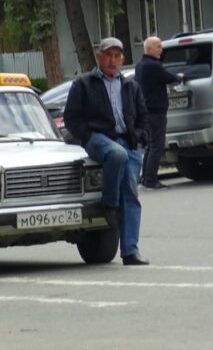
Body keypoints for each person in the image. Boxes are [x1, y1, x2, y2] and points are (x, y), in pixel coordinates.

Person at [64, 37, 150, 266]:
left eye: (117, 56)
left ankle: (130, 251)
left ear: (122, 59)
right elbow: (71, 118)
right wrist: (87, 136)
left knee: (131, 194)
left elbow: (143, 117)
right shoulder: (83, 84)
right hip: (99, 139)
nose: (112, 60)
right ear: (98, 57)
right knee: (116, 155)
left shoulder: (130, 86)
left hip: (128, 142)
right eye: (108, 55)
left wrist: (141, 139)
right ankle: (110, 205)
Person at [135, 36, 183, 190]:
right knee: (157, 146)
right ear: (149, 49)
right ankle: (151, 180)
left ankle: (145, 179)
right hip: (155, 111)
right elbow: (168, 78)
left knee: (150, 146)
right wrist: (179, 77)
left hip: (146, 110)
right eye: (158, 47)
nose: (161, 50)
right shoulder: (153, 66)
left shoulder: (140, 65)